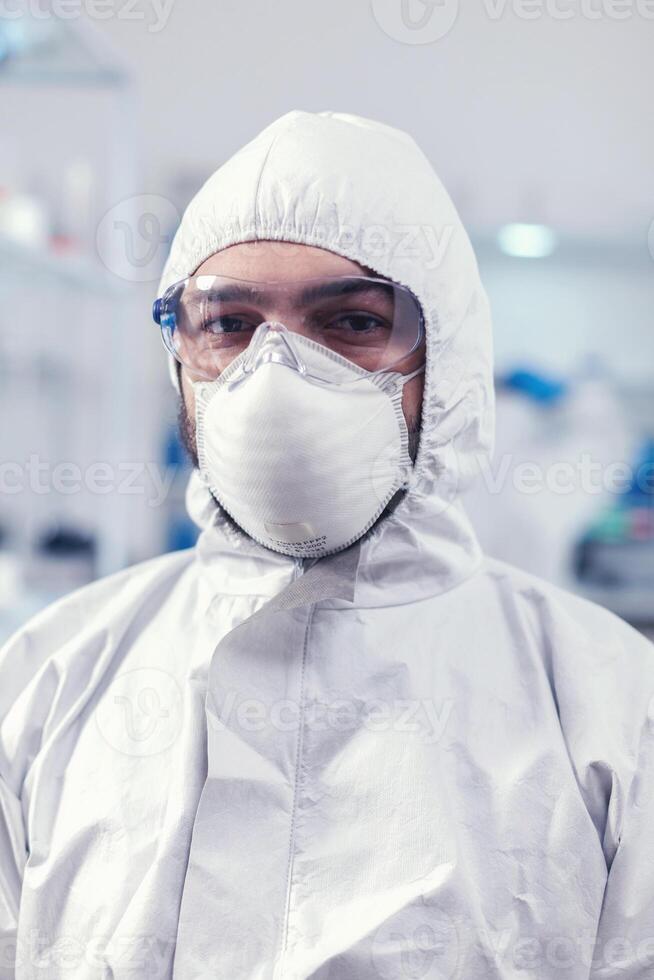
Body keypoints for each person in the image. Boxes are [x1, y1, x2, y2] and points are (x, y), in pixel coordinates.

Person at [1, 110, 653, 980]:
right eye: (228, 324)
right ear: (180, 354)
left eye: (350, 323)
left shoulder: (611, 711)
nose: (275, 380)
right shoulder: (48, 682)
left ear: (447, 361)